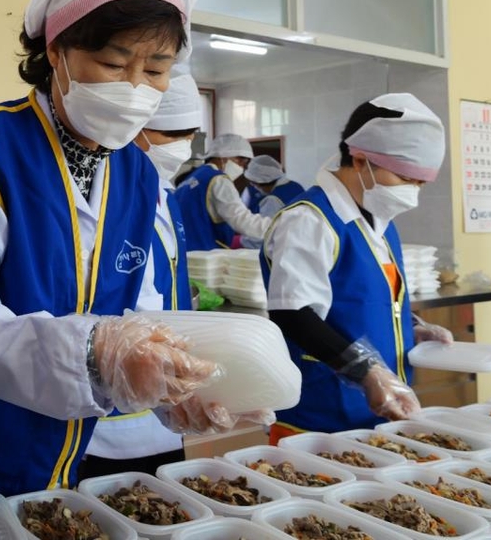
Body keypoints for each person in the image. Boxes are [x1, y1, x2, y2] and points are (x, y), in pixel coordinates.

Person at [0, 0, 258, 526]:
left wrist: (170, 387)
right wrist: (93, 353)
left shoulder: (138, 174)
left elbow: (145, 317)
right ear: (56, 51)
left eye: (156, 70)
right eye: (114, 65)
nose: (135, 87)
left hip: (61, 472)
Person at [261, 93, 454, 444]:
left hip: (377, 414)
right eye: (405, 178)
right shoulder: (309, 219)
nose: (413, 192)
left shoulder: (380, 220)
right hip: (319, 418)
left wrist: (413, 328)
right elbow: (294, 314)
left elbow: (366, 297)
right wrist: (367, 372)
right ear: (361, 159)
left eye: (421, 183)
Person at [78, 70, 200, 480]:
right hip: (108, 422)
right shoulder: (100, 200)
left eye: (191, 135)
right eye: (172, 134)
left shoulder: (167, 196)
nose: (184, 147)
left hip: (166, 411)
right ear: (136, 129)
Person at [174, 133, 271, 250]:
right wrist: (276, 226)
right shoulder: (218, 180)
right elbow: (241, 219)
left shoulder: (190, 179)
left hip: (183, 251)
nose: (242, 168)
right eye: (241, 162)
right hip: (205, 254)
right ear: (223, 158)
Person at [239, 155, 305, 249]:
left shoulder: (272, 200)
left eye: (254, 183)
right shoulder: (296, 186)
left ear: (263, 182)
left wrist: (241, 241)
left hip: (283, 247)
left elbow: (265, 235)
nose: (254, 187)